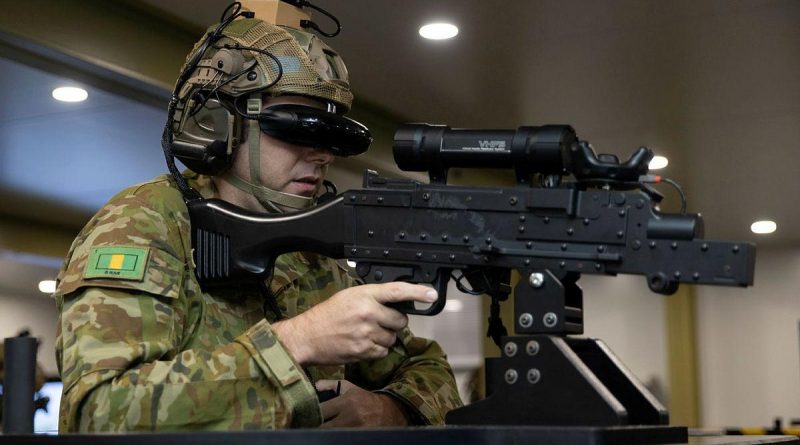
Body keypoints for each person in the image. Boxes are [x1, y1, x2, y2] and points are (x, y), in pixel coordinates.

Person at [53, 5, 462, 432]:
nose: (321, 154)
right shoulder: (144, 225)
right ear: (217, 124)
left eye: (328, 135)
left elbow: (426, 367)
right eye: (296, 129)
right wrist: (297, 340)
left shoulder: (308, 251)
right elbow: (100, 412)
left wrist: (389, 409)